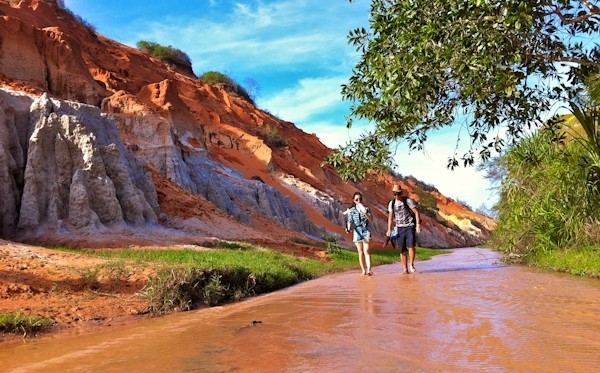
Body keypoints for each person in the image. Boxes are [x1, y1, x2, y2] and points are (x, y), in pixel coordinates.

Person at [386, 184, 421, 274]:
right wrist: (389, 229)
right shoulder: (392, 203)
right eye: (395, 194)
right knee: (402, 249)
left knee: (411, 246)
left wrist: (418, 225)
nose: (397, 196)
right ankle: (405, 269)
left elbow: (416, 212)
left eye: (398, 194)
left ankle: (411, 265)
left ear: (401, 193)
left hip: (410, 226)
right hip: (399, 228)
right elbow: (390, 217)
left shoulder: (408, 201)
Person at [345, 191, 374, 276]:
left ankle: (369, 270)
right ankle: (363, 270)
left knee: (367, 251)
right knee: (360, 252)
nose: (359, 201)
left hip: (366, 230)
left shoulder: (367, 209)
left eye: (360, 199)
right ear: (354, 201)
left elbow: (371, 219)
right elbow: (350, 221)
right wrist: (348, 228)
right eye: (357, 199)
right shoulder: (352, 211)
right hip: (357, 231)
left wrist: (365, 212)